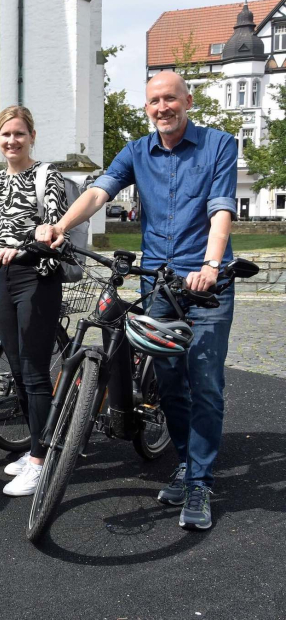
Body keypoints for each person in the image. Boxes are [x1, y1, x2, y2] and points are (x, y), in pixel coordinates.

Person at [41, 70, 237, 530]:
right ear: (146, 107)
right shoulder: (137, 151)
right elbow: (99, 190)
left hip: (207, 283)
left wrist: (210, 266)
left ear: (187, 101)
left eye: (170, 98)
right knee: (169, 383)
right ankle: (188, 464)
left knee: (204, 379)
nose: (162, 107)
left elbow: (221, 208)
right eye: (154, 101)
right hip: (159, 282)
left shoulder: (218, 145)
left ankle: (201, 481)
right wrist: (60, 227)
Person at [0, 106, 69, 497]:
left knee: (34, 370)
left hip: (37, 276)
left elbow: (54, 227)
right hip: (3, 278)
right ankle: (37, 442)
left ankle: (40, 459)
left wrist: (23, 246)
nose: (12, 141)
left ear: (32, 136)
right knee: (15, 367)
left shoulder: (47, 174)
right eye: (5, 135)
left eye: (19, 134)